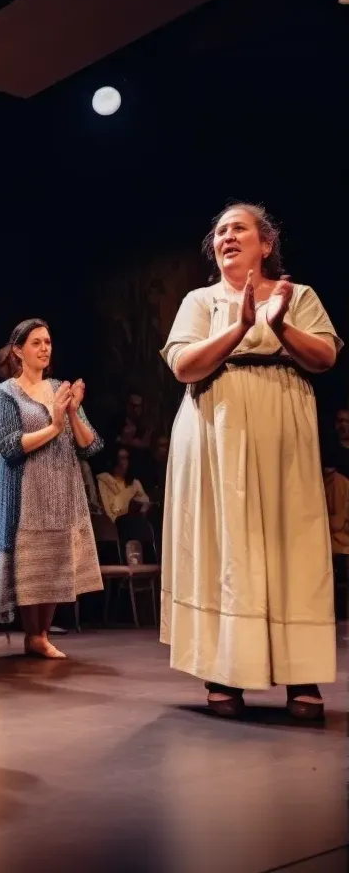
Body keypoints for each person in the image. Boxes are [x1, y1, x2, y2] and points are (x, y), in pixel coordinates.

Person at [161, 203, 340, 720]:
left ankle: (300, 674)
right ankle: (224, 671)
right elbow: (182, 366)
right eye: (220, 231)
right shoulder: (201, 300)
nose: (227, 237)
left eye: (239, 228)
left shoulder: (297, 295)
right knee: (225, 542)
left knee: (292, 540)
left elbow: (325, 357)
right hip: (215, 429)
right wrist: (238, 327)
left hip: (283, 430)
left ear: (266, 244)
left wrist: (279, 325)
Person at [0, 319, 103, 658]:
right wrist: (54, 425)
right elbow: (9, 445)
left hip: (59, 486)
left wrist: (71, 413)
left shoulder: (59, 388)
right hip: (23, 488)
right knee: (28, 560)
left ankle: (40, 635)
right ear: (18, 351)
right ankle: (31, 633)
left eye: (47, 342)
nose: (44, 348)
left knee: (54, 559)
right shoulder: (4, 394)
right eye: (35, 342)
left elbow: (90, 445)